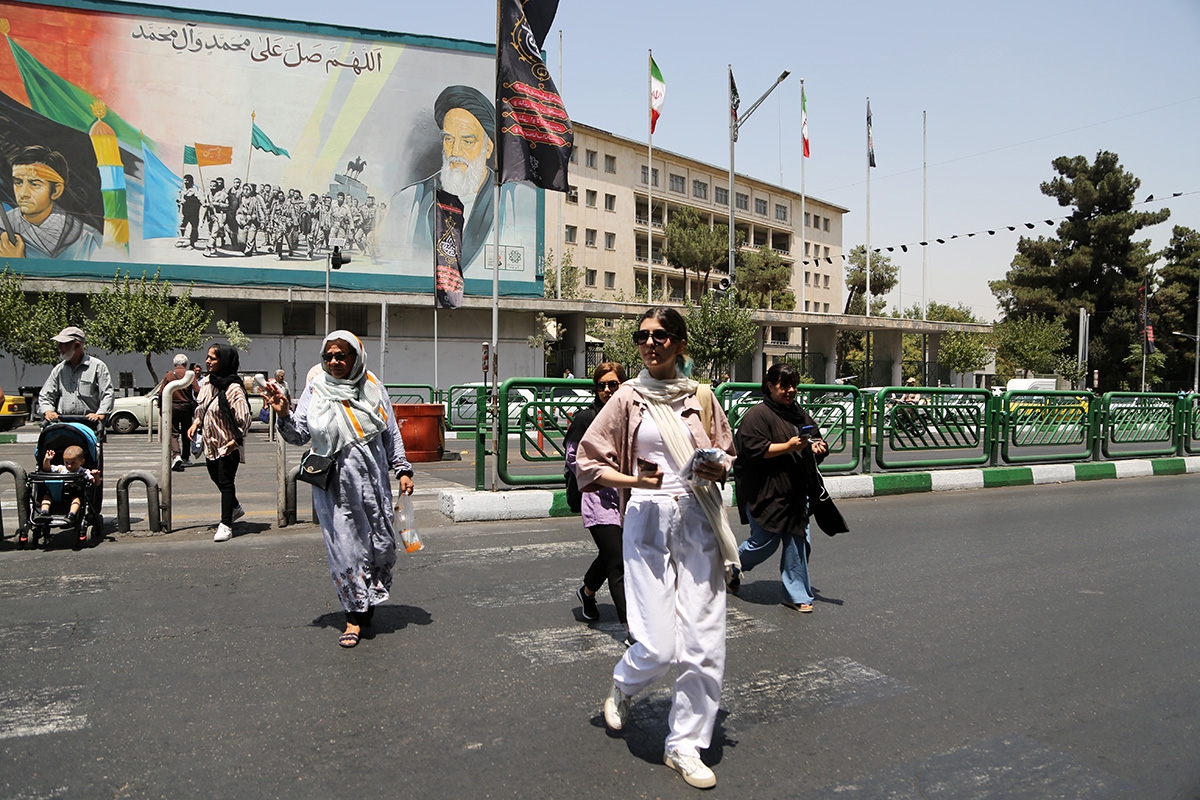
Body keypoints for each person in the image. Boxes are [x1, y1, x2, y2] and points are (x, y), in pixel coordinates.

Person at [576, 306, 738, 790]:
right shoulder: (627, 398)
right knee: (658, 643)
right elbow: (588, 462)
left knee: (704, 638)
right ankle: (624, 684)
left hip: (699, 516)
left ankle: (684, 744)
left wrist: (719, 467)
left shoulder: (704, 397)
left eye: (661, 335)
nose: (650, 343)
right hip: (646, 516)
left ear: (680, 344)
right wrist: (634, 479)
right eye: (643, 335)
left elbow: (728, 453)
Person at [262, 331, 415, 649]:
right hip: (335, 487)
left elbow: (390, 433)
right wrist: (283, 414)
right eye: (329, 355)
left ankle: (367, 600)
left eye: (341, 355)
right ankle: (352, 617)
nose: (334, 361)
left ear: (356, 357)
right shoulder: (316, 389)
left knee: (380, 546)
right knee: (346, 551)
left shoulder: (373, 387)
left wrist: (402, 469)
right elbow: (298, 434)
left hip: (374, 483)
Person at [728, 362, 829, 613]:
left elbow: (812, 437)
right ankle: (732, 566)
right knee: (764, 542)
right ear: (771, 386)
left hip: (795, 490)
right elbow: (751, 450)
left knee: (798, 541)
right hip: (765, 491)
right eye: (785, 386)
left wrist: (817, 446)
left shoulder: (797, 413)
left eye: (794, 385)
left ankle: (795, 594)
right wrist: (788, 447)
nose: (791, 391)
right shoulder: (757, 415)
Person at [385, 85, 497, 268]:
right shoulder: (409, 200)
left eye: (467, 141)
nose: (455, 151)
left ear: (488, 148)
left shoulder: (510, 203)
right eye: (448, 139)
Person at [564, 362, 629, 638]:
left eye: (612, 384)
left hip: (627, 496)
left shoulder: (630, 416)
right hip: (597, 497)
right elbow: (572, 458)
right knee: (618, 561)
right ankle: (632, 629)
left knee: (611, 553)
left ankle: (587, 591)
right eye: (601, 385)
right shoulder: (585, 419)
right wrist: (604, 470)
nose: (606, 390)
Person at [187, 344, 250, 543]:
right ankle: (235, 507)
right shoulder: (207, 382)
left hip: (227, 443)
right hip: (210, 444)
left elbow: (244, 418)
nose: (208, 361)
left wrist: (234, 441)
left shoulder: (234, 388)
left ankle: (226, 525)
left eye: (213, 358)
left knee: (225, 481)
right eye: (208, 358)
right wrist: (196, 422)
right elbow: (202, 406)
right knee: (215, 477)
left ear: (223, 361)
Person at [0, 145, 103, 260]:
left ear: (56, 191)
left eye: (35, 184)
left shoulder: (88, 239)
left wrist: (18, 263)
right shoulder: (3, 227)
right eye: (18, 183)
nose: (23, 193)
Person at [38, 326, 114, 424]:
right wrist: (48, 411)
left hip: (90, 423)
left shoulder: (98, 366)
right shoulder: (59, 369)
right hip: (64, 424)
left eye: (63, 344)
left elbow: (107, 393)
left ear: (77, 345)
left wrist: (100, 414)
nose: (59, 347)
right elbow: (45, 395)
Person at [36, 445, 97, 521]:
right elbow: (47, 468)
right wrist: (47, 460)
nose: (69, 465)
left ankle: (71, 515)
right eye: (66, 462)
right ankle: (44, 512)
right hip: (58, 492)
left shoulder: (84, 471)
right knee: (46, 497)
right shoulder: (62, 469)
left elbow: (93, 482)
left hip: (73, 492)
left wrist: (95, 475)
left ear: (82, 462)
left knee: (76, 499)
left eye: (73, 463)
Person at [158, 353, 196, 472]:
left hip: (172, 407)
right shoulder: (190, 375)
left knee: (173, 432)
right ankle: (185, 457)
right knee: (186, 432)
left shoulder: (169, 375)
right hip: (186, 407)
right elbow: (198, 390)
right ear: (186, 364)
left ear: (174, 364)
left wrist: (161, 407)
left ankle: (176, 455)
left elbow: (161, 393)